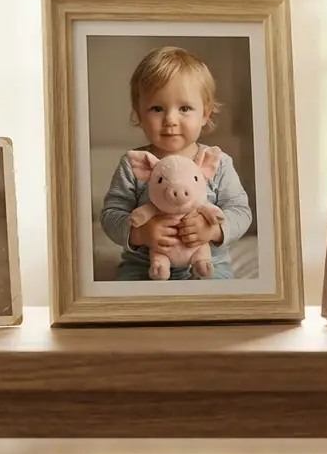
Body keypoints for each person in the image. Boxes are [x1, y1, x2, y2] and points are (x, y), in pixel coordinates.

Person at [100, 46, 253, 280]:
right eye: (157, 109)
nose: (170, 120)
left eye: (184, 108)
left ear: (205, 113)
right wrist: (141, 233)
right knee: (129, 310)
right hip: (143, 269)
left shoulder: (217, 161)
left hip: (207, 268)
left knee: (220, 307)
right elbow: (111, 214)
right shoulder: (134, 164)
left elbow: (241, 211)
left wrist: (212, 230)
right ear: (139, 114)